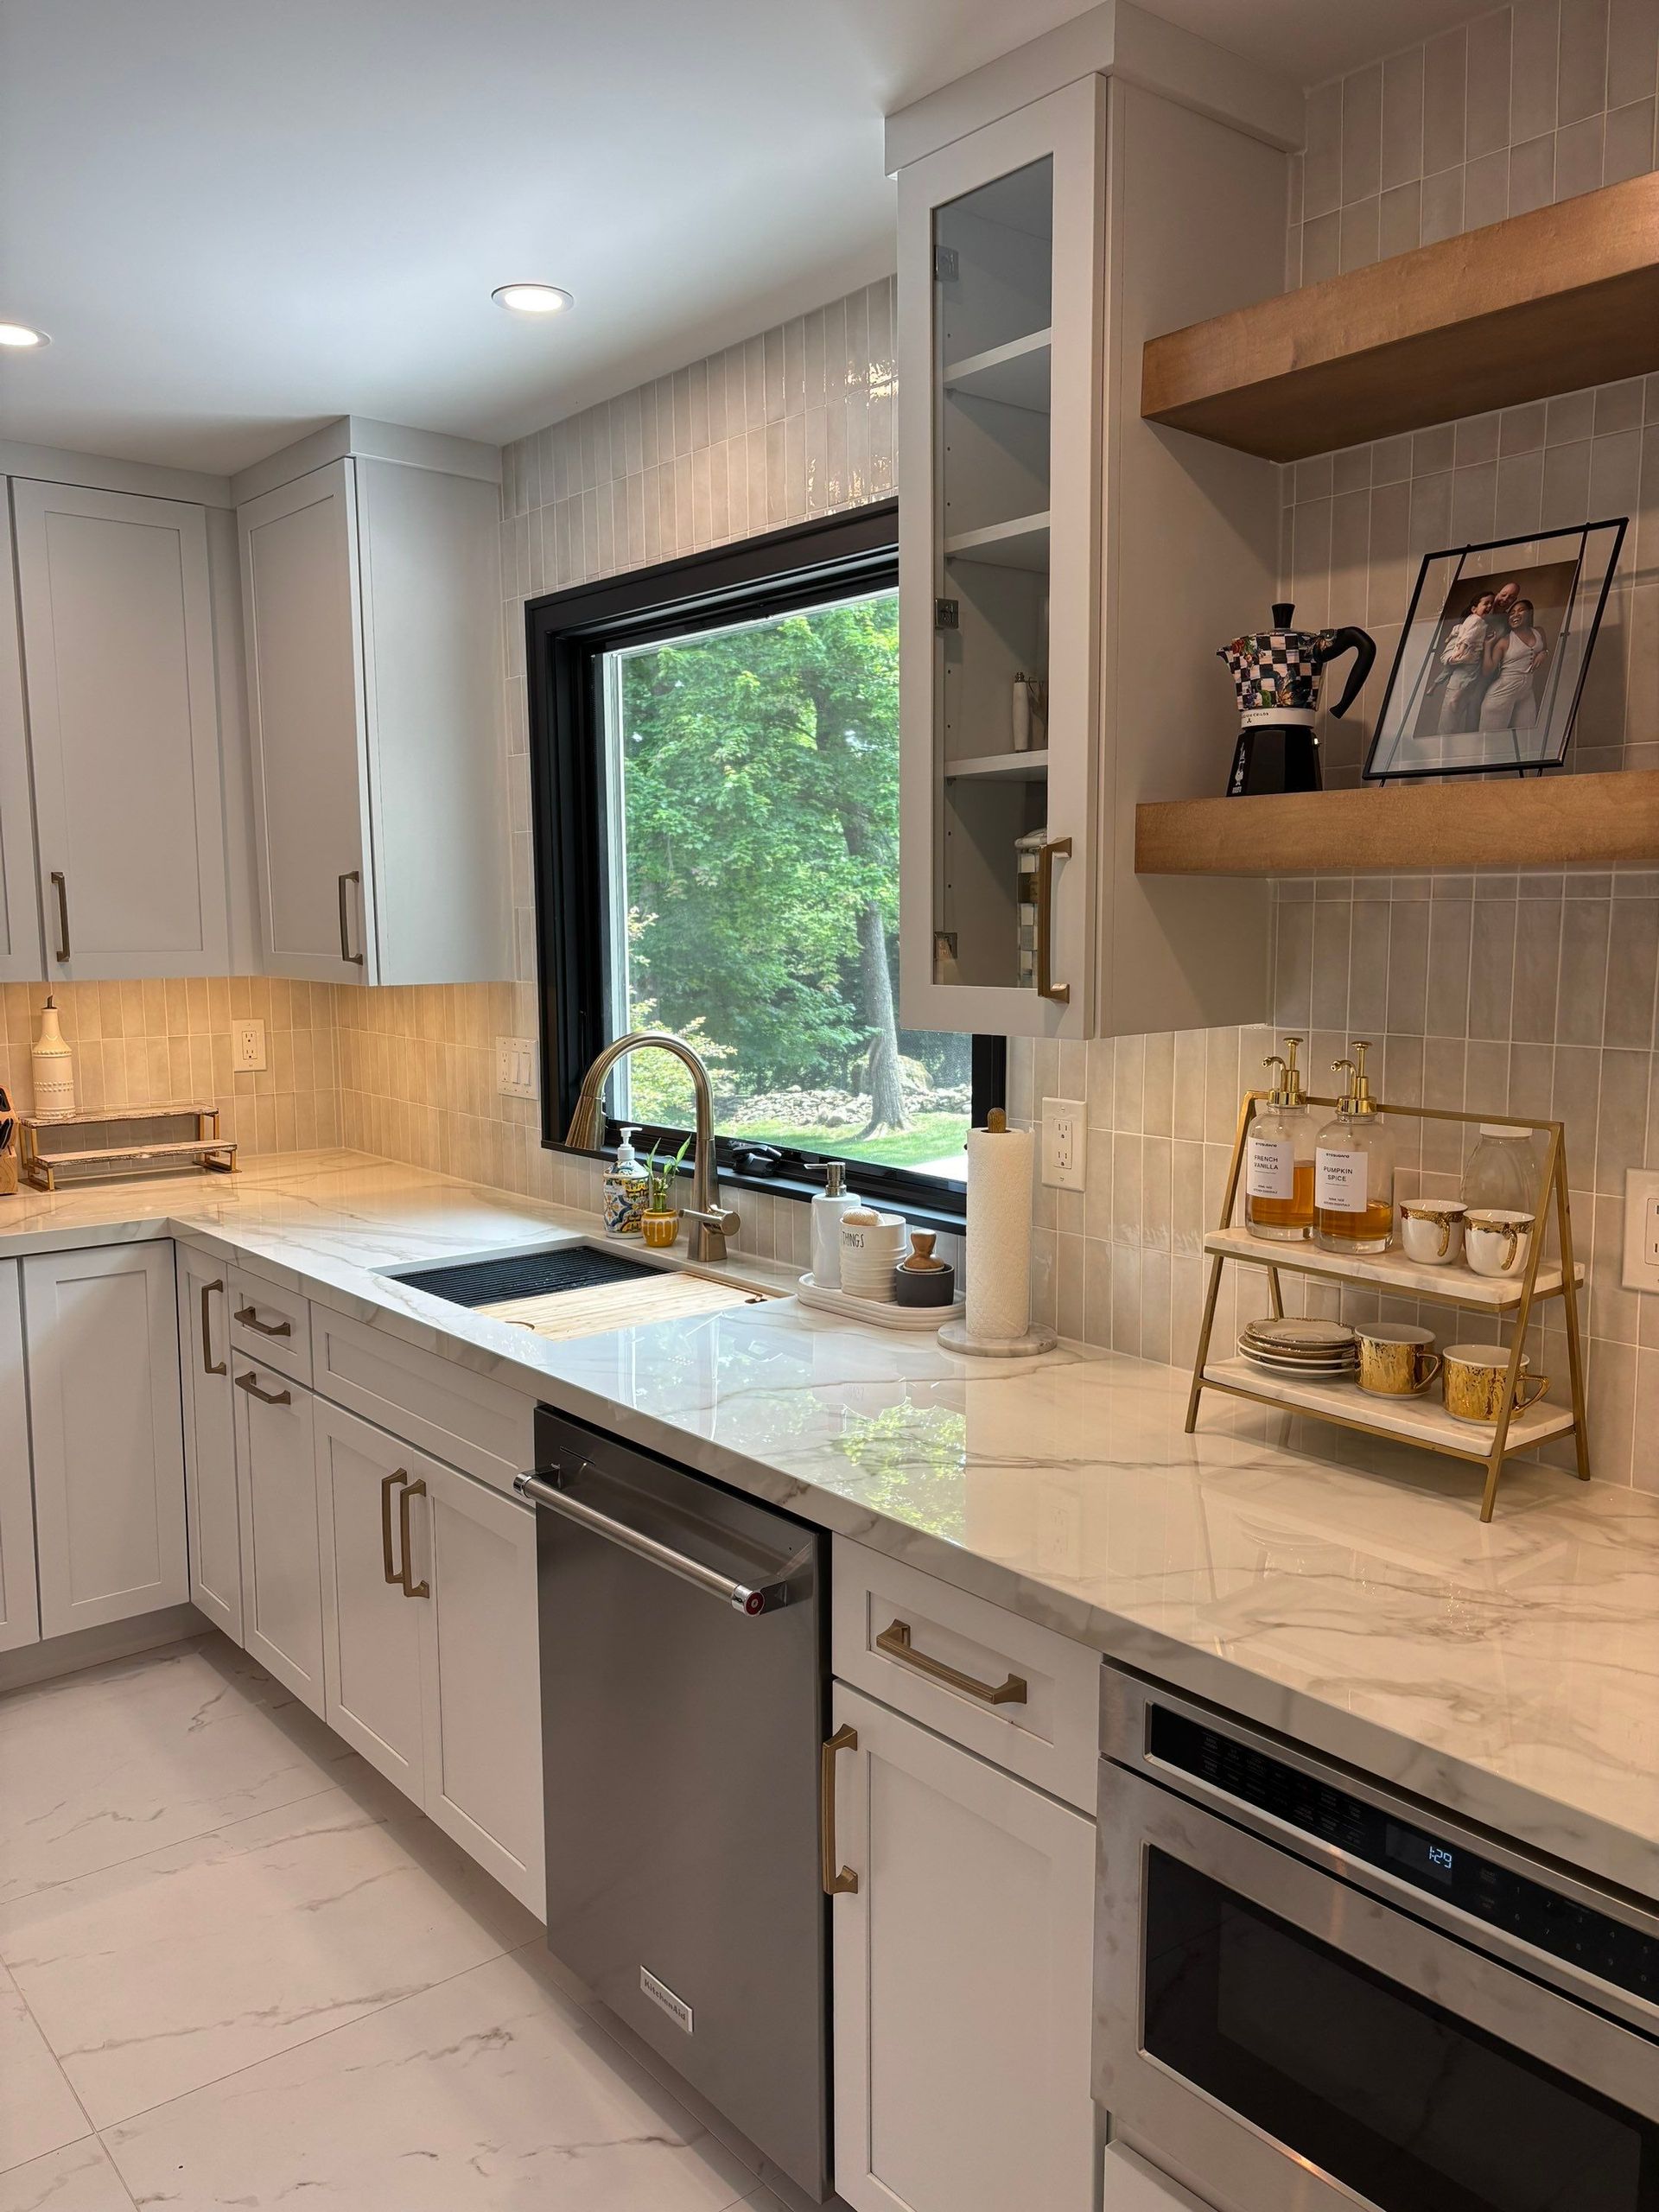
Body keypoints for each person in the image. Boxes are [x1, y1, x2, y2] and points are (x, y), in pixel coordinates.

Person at [1478, 597, 1550, 735]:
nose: (1515, 615)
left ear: (1529, 614)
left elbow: (1544, 648)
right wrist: (1488, 645)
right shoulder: (1504, 642)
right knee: (1491, 743)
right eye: (1512, 613)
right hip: (1501, 693)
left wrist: (1544, 653)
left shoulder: (1539, 631)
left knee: (1527, 741)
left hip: (1526, 693)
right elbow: (1487, 671)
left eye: (1521, 611)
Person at [1431, 589, 1497, 734]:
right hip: (1461, 672)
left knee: (1453, 718)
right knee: (1449, 720)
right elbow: (1466, 639)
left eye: (1492, 604)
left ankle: (1455, 698)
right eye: (1486, 603)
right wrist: (1461, 651)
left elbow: (1464, 634)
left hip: (1466, 671)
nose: (1490, 606)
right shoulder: (1476, 622)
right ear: (1474, 609)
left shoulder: (1476, 624)